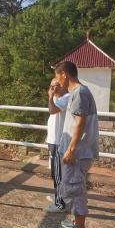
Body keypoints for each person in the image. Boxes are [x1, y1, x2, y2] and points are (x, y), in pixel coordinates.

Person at [53, 61, 99, 228]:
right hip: (79, 153)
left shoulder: (79, 93)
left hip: (77, 154)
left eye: (57, 77)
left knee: (75, 192)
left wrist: (71, 150)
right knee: (76, 191)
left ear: (64, 74)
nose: (57, 81)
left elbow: (80, 124)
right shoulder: (79, 92)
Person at [44, 78, 70, 213]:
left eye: (56, 86)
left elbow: (52, 111)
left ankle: (60, 203)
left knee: (58, 173)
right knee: (55, 172)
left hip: (60, 142)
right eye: (51, 86)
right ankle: (59, 196)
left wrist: (50, 97)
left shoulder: (66, 97)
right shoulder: (57, 98)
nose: (53, 88)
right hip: (53, 140)